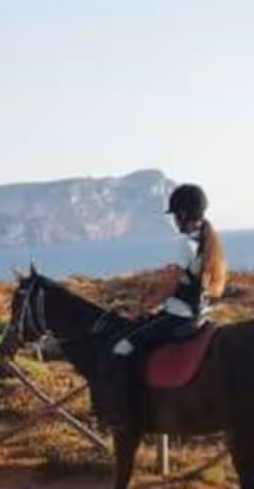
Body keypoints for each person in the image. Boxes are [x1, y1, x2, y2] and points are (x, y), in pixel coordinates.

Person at [97, 182, 228, 428]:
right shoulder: (207, 243)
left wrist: (143, 309)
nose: (175, 221)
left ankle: (125, 414)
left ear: (183, 214)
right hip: (199, 316)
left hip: (178, 318)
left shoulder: (185, 245)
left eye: (176, 215)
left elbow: (169, 288)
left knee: (121, 348)